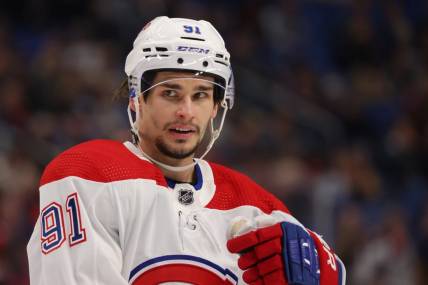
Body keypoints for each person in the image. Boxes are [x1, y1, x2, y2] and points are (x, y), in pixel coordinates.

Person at [27, 16, 346, 284]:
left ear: (216, 106)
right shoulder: (90, 174)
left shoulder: (257, 209)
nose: (186, 111)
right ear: (137, 98)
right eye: (170, 93)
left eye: (201, 95)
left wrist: (332, 274)